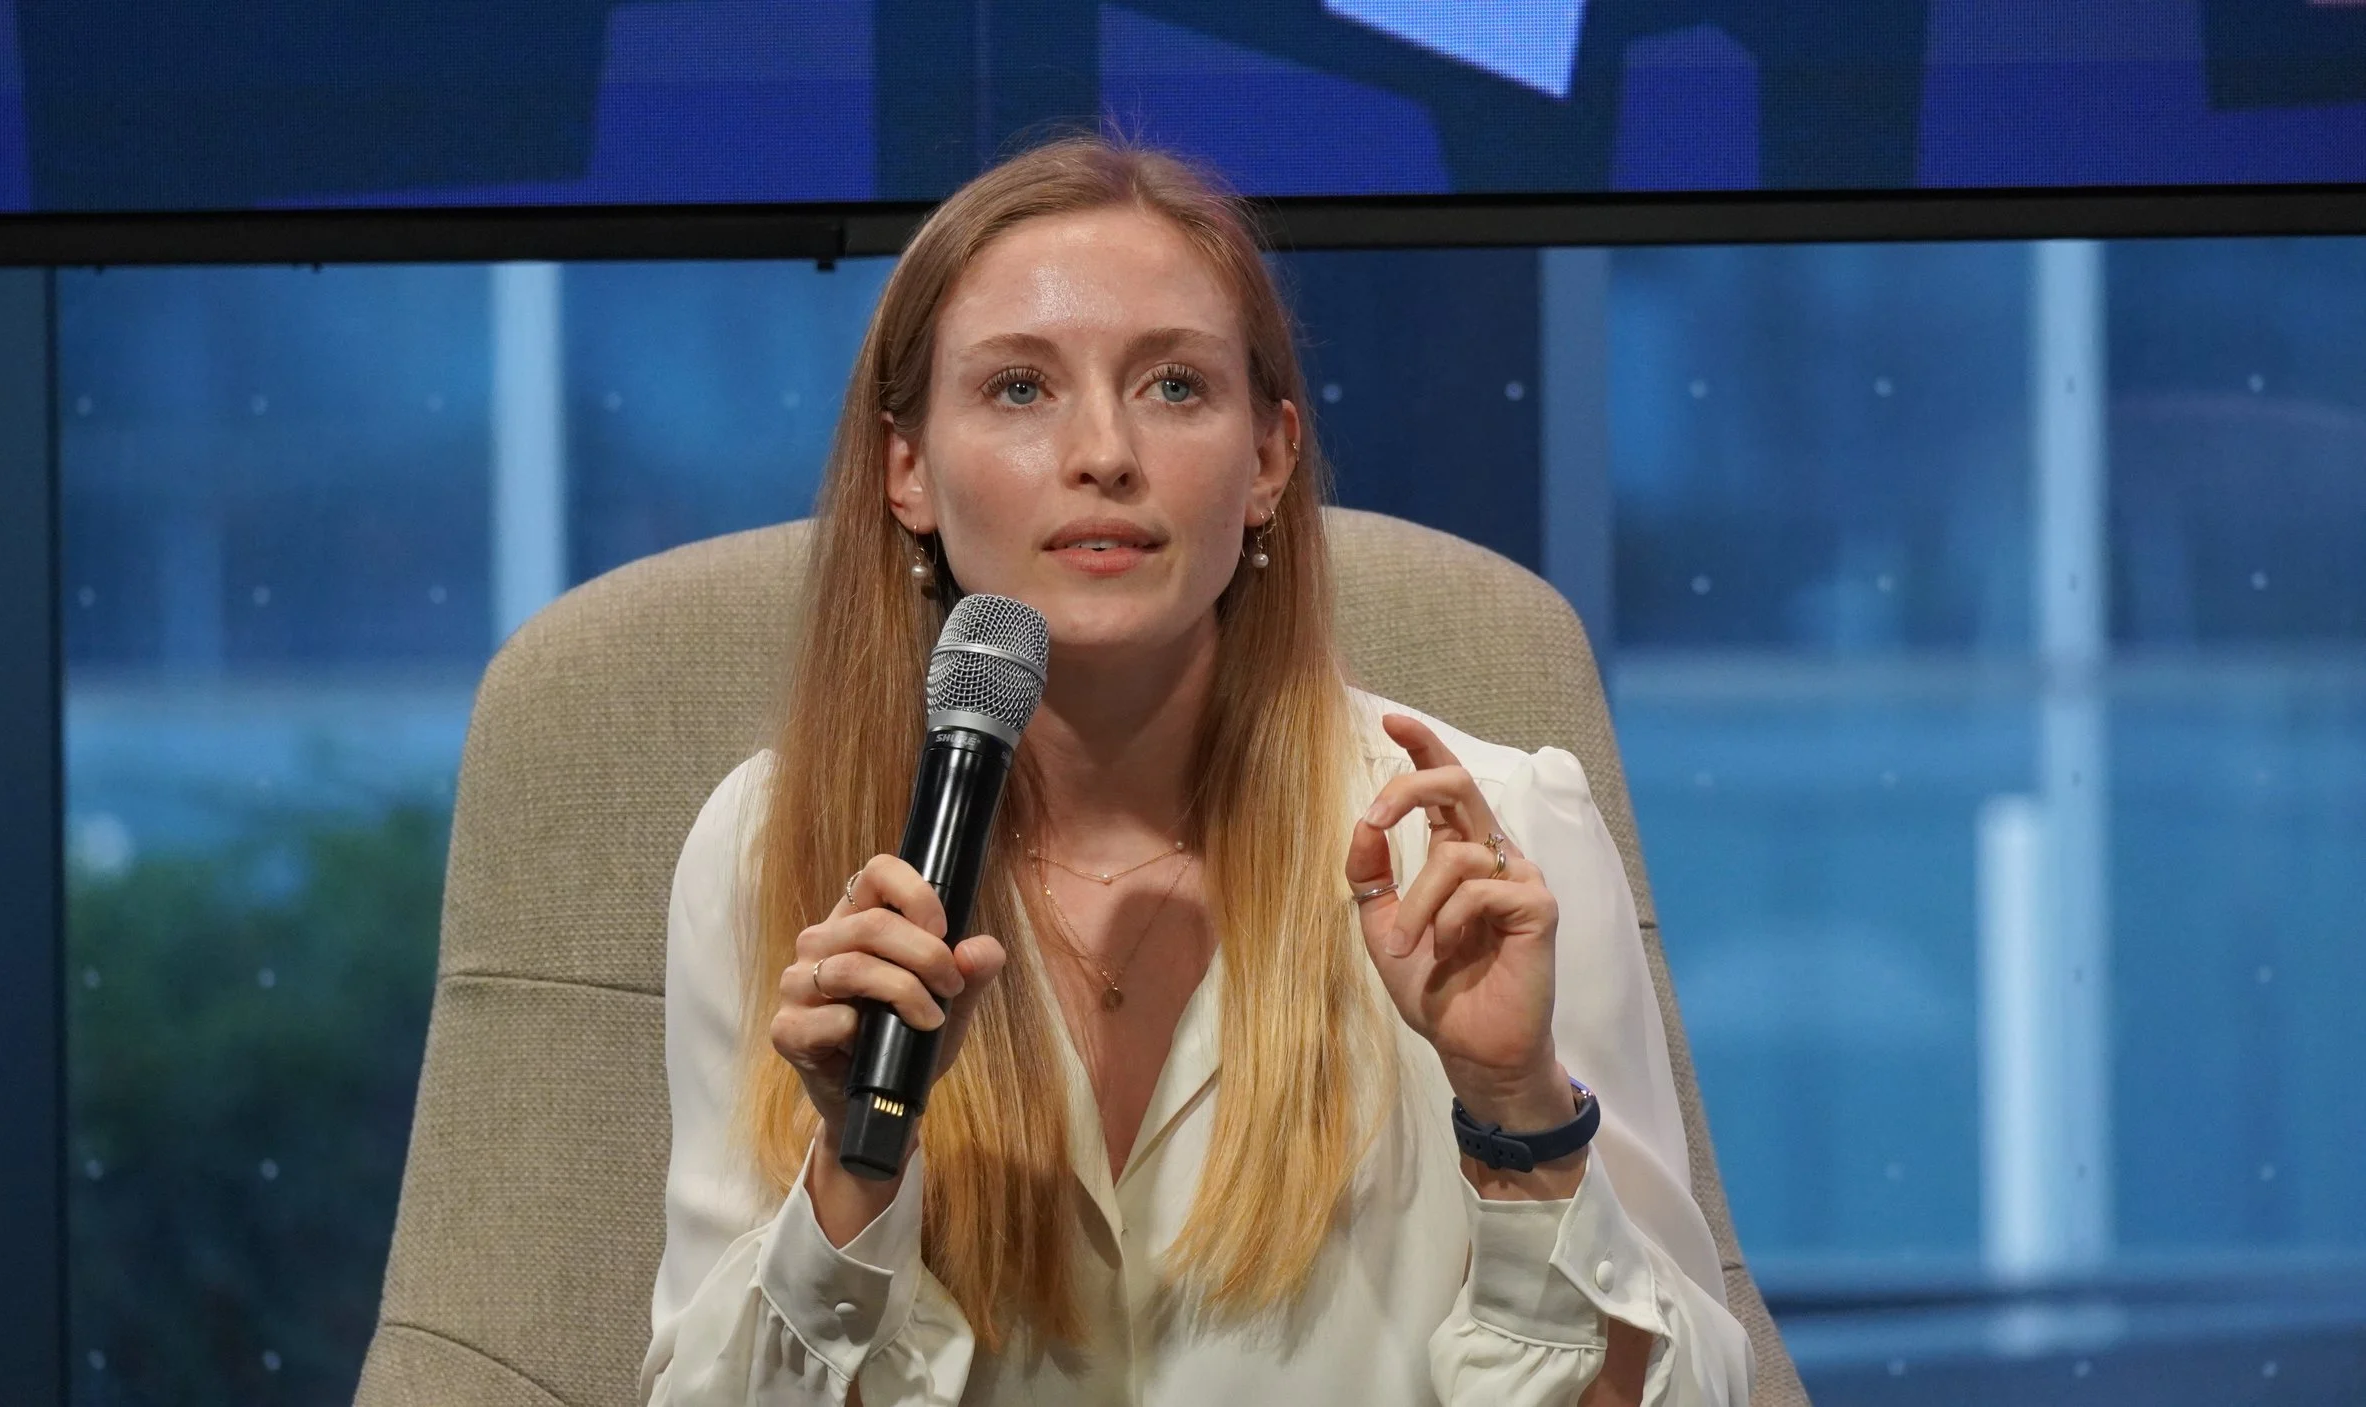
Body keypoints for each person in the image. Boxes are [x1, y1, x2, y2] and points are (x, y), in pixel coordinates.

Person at [638, 136, 1750, 1406]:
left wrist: (1516, 1110)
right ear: (908, 470)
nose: (1104, 452)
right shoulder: (770, 846)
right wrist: (856, 1166)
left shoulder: (1489, 838)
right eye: (1019, 388)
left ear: (1268, 461)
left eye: (1173, 386)